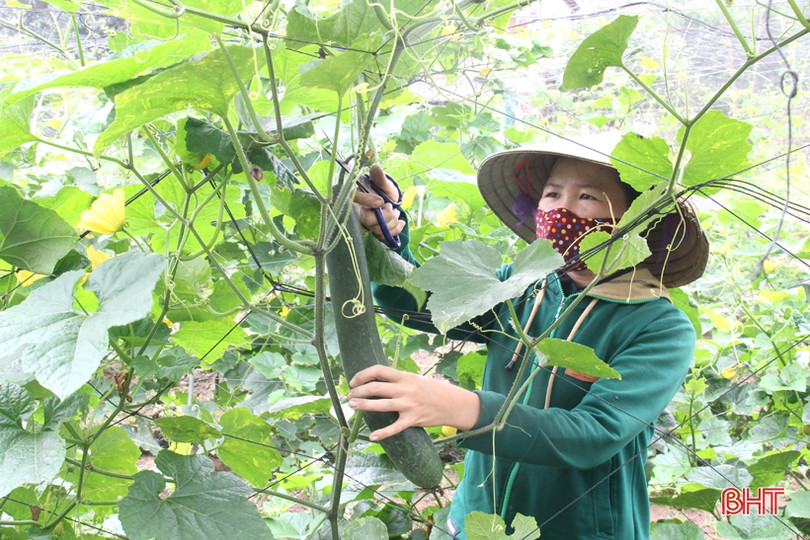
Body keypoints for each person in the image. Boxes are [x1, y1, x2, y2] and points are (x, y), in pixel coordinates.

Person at [346, 135, 709, 540]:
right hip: (479, 521)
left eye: (586, 196)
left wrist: (463, 407)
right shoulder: (521, 283)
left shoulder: (660, 328)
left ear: (639, 219)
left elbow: (594, 434)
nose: (560, 207)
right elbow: (419, 305)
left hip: (580, 531)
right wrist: (388, 240)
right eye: (552, 193)